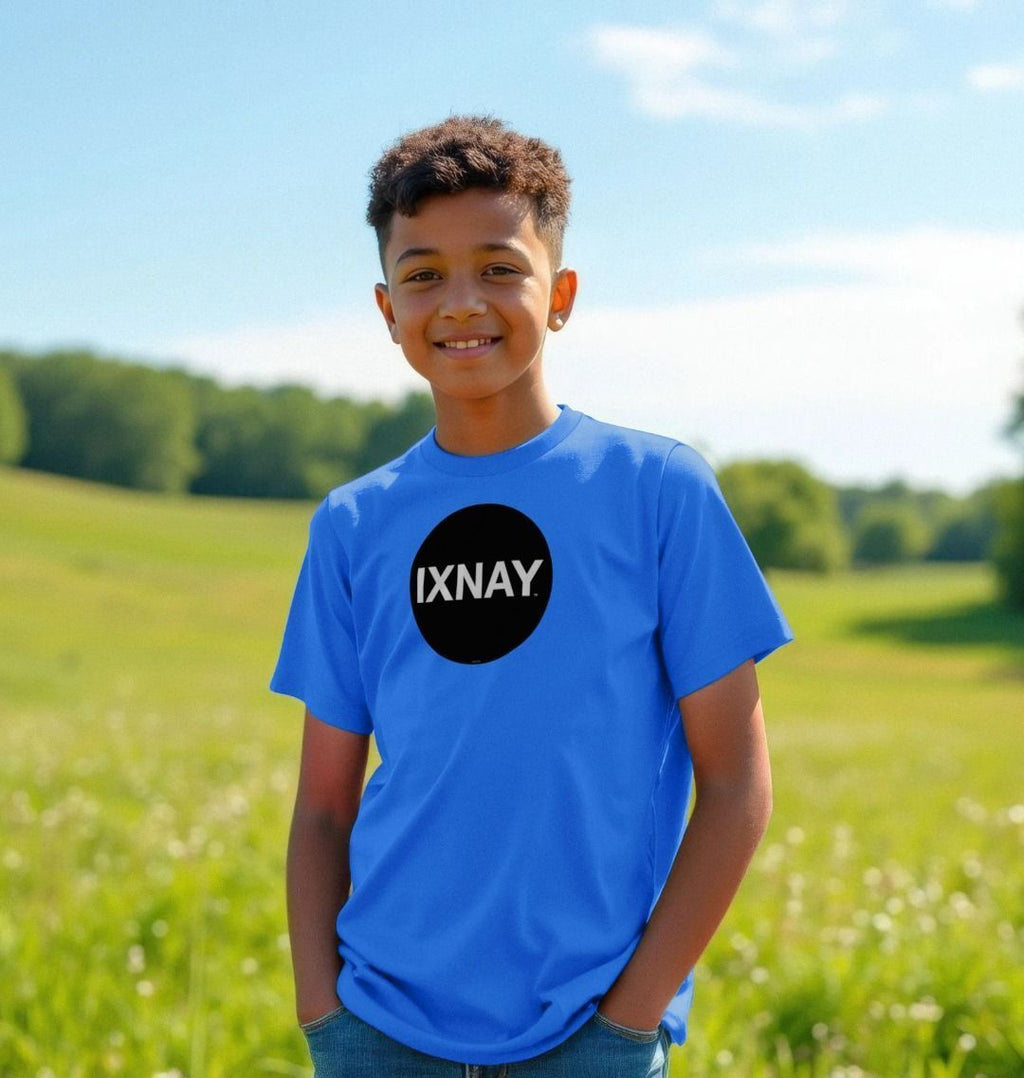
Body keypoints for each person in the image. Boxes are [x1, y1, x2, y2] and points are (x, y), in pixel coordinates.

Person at [271, 115, 793, 1078]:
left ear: (559, 295)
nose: (461, 301)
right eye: (423, 273)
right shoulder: (351, 525)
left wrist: (629, 1020)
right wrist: (325, 1016)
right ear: (388, 311)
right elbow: (323, 808)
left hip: (590, 1031)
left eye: (500, 268)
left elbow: (734, 784)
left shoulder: (660, 491)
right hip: (378, 1030)